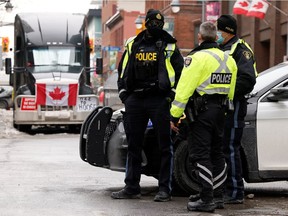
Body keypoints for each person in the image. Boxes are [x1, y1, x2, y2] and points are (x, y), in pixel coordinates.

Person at [111, 9, 184, 202]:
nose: (156, 26)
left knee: (164, 146)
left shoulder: (169, 45)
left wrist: (170, 96)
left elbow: (180, 74)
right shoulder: (133, 43)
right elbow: (122, 71)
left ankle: (164, 190)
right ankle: (131, 187)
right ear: (146, 23)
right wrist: (124, 94)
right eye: (152, 22)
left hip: (159, 100)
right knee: (133, 145)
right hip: (135, 99)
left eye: (159, 23)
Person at [170, 21, 237, 213]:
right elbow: (230, 91)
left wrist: (174, 116)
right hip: (221, 112)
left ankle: (206, 199)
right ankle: (217, 195)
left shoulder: (196, 58)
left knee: (199, 154)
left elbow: (183, 91)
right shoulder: (228, 59)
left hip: (202, 113)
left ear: (199, 37)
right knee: (217, 153)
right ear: (216, 37)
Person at [216, 15, 257, 204]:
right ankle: (225, 188)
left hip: (234, 105)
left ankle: (235, 192)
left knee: (230, 149)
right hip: (220, 107)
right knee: (222, 149)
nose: (217, 34)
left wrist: (227, 93)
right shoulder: (220, 48)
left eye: (219, 30)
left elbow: (247, 80)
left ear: (227, 31)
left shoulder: (241, 50)